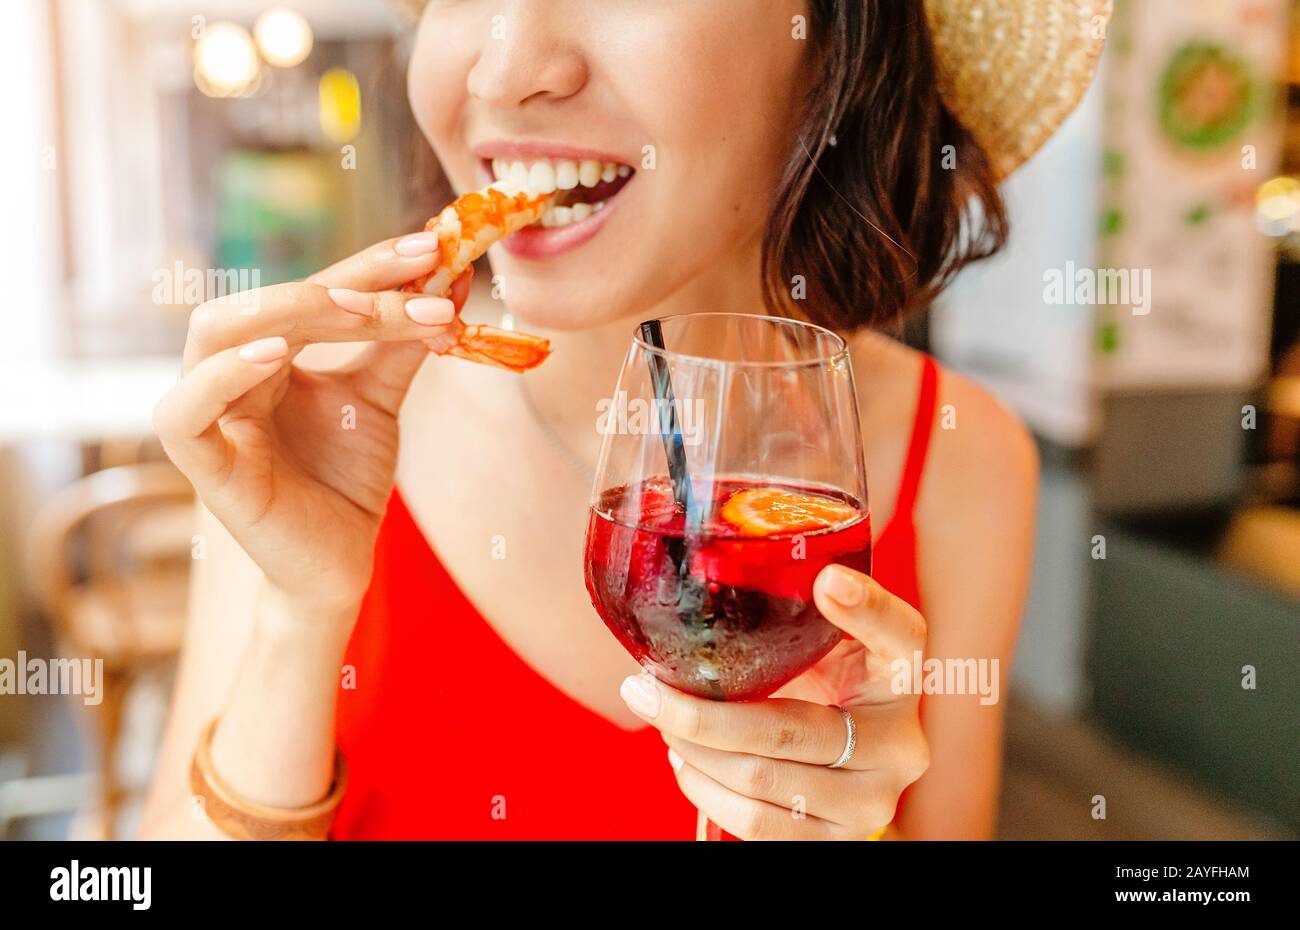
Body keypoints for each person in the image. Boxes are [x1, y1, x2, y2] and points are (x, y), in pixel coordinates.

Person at [141, 0, 1108, 840]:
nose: (508, 68)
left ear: (836, 45)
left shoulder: (962, 455)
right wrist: (301, 611)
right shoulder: (317, 410)